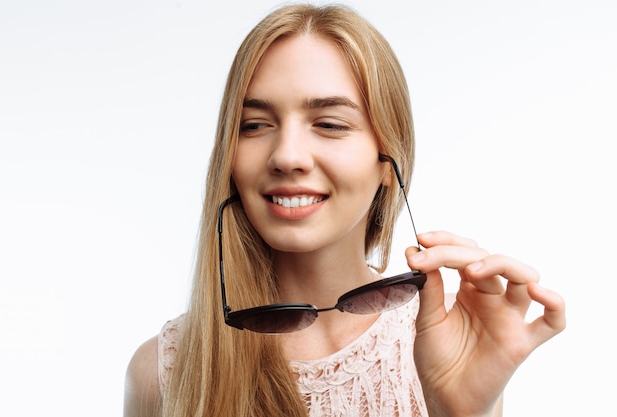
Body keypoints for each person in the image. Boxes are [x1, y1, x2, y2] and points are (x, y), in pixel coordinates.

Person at [123, 3, 566, 417]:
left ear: (389, 162)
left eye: (330, 124)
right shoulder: (165, 369)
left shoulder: (451, 340)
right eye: (254, 125)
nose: (287, 155)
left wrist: (462, 412)